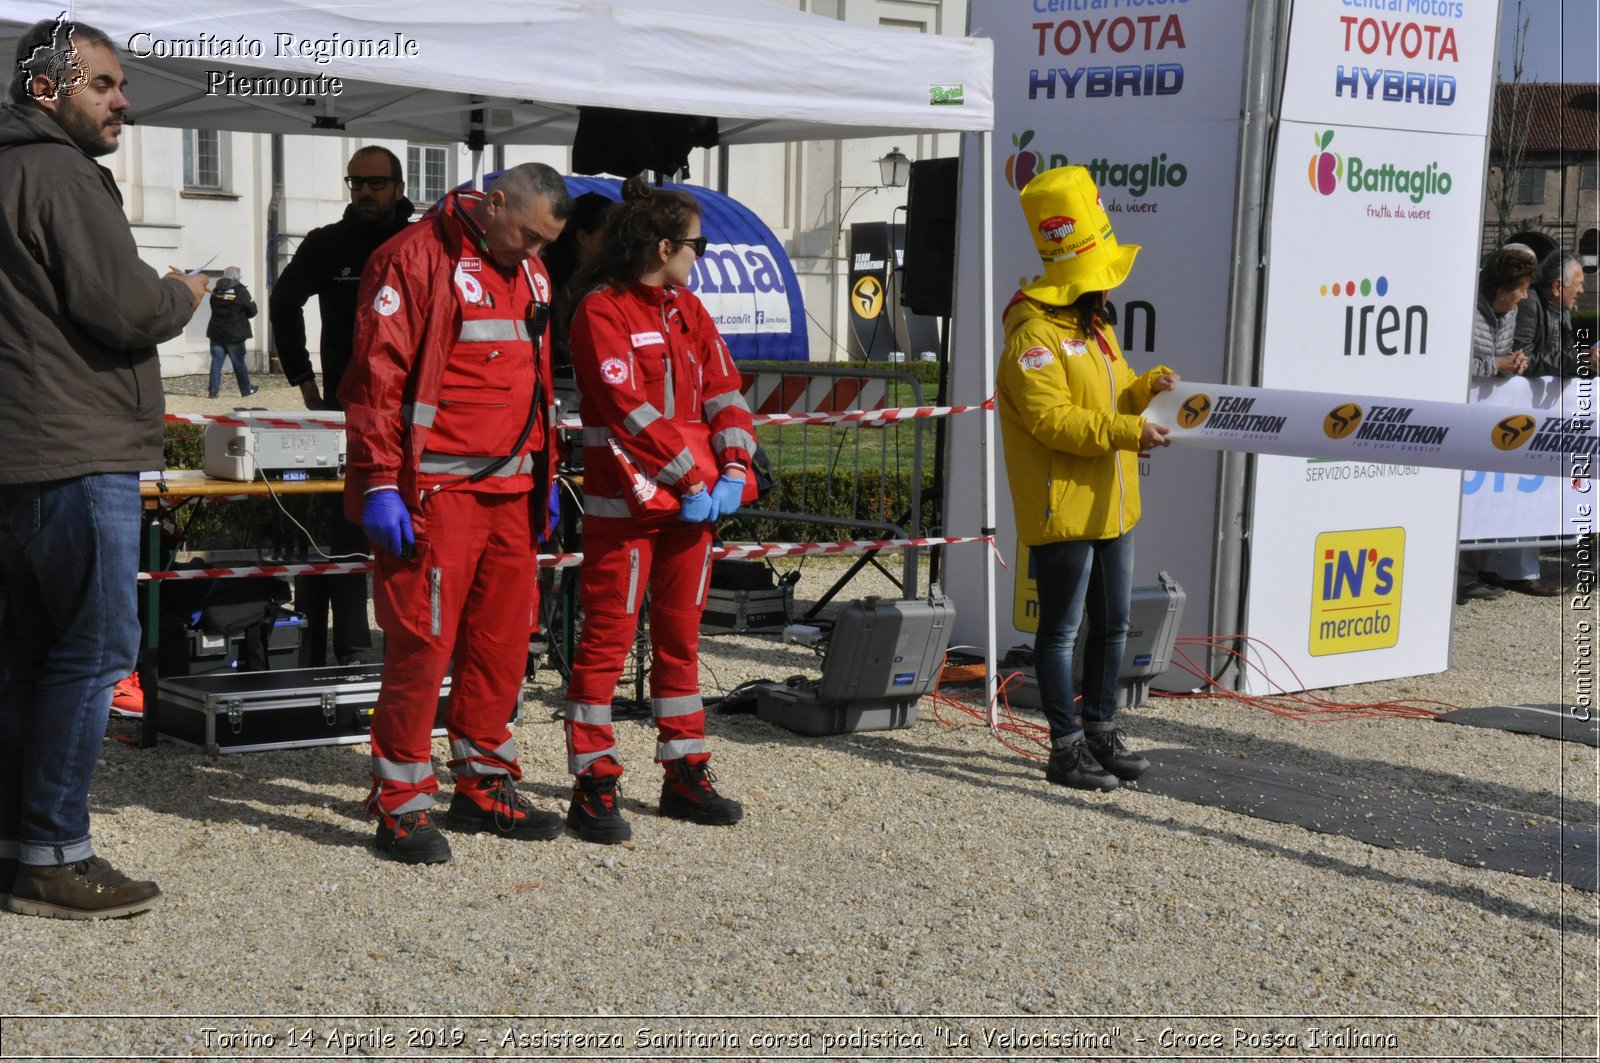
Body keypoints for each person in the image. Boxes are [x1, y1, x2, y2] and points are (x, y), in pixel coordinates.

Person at [0, 18, 207, 917]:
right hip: (76, 447)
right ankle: (54, 854)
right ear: (48, 89)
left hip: (23, 451)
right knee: (93, 654)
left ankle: (21, 846)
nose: (124, 101)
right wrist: (184, 293)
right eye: (105, 85)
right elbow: (121, 308)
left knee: (28, 657)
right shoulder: (57, 172)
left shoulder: (11, 168)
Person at [339, 162, 572, 864]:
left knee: (502, 645)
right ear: (494, 202)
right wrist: (380, 481)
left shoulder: (530, 270)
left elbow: (533, 379)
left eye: (544, 244)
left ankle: (483, 781)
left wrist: (547, 474)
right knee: (421, 649)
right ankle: (402, 803)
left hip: (512, 493)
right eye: (527, 235)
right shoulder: (411, 258)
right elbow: (378, 379)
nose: (533, 252)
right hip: (435, 498)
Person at [561, 176, 756, 844]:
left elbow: (727, 393)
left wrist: (734, 467)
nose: (701, 256)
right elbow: (626, 410)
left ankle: (684, 770)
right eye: (697, 245)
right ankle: (593, 781)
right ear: (665, 245)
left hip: (691, 508)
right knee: (605, 645)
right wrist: (691, 474)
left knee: (681, 640)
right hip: (627, 510)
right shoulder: (601, 311)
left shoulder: (688, 311)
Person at [995, 165, 1179, 792]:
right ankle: (1064, 746)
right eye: (1105, 280)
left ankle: (1100, 730)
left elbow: (1108, 403)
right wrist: (1131, 430)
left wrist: (1144, 388)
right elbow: (1054, 423)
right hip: (1064, 508)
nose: (1112, 290)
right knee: (1061, 631)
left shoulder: (1093, 330)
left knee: (1113, 625)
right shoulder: (1034, 339)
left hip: (1111, 502)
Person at [271, 147, 415, 668]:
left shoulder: (419, 242)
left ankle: (411, 644)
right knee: (346, 527)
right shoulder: (328, 243)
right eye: (356, 182)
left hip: (417, 409)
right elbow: (284, 302)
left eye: (377, 182)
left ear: (399, 187)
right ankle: (348, 648)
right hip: (348, 405)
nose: (366, 192)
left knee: (419, 525)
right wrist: (303, 380)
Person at [1477, 249, 1592, 597]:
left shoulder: (1561, 310)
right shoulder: (1529, 307)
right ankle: (1512, 570)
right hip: (1516, 415)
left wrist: (1581, 361)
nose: (1583, 291)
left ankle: (1503, 567)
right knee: (1518, 489)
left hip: (1537, 415)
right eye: (1580, 284)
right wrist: (1578, 360)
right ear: (1558, 286)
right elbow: (1529, 357)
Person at [1460, 247, 1544, 604]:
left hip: (1490, 413)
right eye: (1522, 289)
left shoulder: (1508, 311)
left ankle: (1472, 572)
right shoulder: (1464, 302)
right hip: (1461, 412)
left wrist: (1515, 361)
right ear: (1501, 291)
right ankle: (1459, 575)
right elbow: (1455, 359)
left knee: (1487, 495)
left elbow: (1504, 352)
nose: (1525, 297)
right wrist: (1496, 364)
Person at [206, 266, 259, 398]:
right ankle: (246, 389)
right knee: (238, 362)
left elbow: (213, 306)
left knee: (216, 362)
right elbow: (252, 310)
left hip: (217, 333)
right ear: (236, 277)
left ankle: (213, 392)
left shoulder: (216, 291)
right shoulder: (241, 291)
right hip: (235, 335)